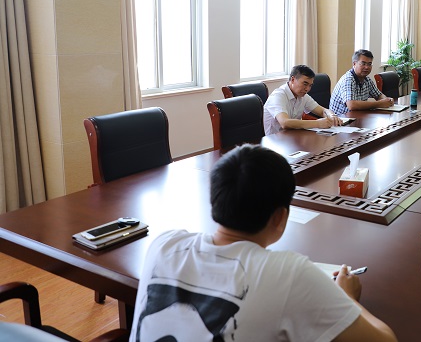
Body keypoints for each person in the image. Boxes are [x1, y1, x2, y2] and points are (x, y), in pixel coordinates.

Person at [130, 144, 397, 342]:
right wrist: (347, 298)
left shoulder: (164, 245)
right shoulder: (289, 274)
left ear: (215, 200)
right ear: (280, 217)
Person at [263, 64, 342, 136]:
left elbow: (322, 111)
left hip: (293, 137)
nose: (307, 89)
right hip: (275, 141)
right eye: (305, 84)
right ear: (293, 79)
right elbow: (285, 122)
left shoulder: (303, 96)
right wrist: (318, 123)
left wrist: (331, 115)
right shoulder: (278, 96)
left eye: (310, 85)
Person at [329, 50, 394, 115]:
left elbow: (379, 95)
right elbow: (351, 105)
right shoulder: (348, 79)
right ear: (354, 64)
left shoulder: (367, 80)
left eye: (369, 64)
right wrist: (379, 104)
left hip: (357, 116)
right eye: (363, 64)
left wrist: (387, 100)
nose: (367, 67)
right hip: (340, 119)